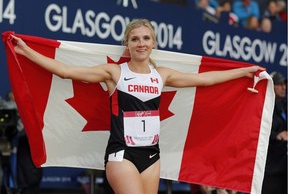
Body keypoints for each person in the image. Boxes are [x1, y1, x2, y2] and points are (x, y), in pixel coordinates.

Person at [10, 18, 264, 194]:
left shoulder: (161, 75)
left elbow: (205, 79)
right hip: (122, 155)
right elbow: (66, 71)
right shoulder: (114, 72)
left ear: (153, 43)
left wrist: (244, 71)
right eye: (135, 39)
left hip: (152, 156)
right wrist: (26, 52)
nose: (141, 43)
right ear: (127, 44)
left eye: (146, 38)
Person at [261, 71, 287, 194]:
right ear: (272, 86)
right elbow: (259, 132)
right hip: (270, 169)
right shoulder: (265, 107)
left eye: (284, 84)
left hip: (283, 167)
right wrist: (276, 135)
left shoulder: (284, 105)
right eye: (280, 84)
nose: (284, 87)